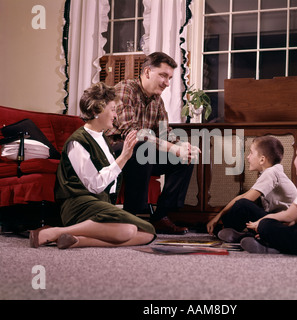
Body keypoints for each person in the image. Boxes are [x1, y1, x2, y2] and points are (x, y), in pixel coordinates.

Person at [29, 82, 156, 249]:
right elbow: (95, 185)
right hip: (79, 204)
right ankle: (54, 232)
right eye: (112, 109)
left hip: (100, 204)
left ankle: (76, 240)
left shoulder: (102, 138)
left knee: (147, 234)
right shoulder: (77, 142)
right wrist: (123, 158)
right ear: (96, 111)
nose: (115, 115)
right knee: (128, 230)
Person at [106, 52, 199, 234]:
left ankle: (161, 216)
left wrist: (182, 147)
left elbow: (165, 133)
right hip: (115, 149)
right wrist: (172, 148)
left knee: (185, 159)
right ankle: (133, 216)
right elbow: (132, 133)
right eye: (163, 75)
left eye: (170, 78)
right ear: (147, 72)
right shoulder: (125, 90)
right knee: (142, 147)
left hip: (141, 153)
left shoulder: (157, 100)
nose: (167, 83)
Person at [207, 136, 297, 242]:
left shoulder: (271, 173)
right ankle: (237, 234)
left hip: (284, 224)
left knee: (242, 205)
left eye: (251, 153)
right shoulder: (272, 172)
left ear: (262, 159)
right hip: (278, 221)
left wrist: (217, 217)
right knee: (243, 203)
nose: (248, 157)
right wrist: (218, 216)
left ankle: (228, 230)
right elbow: (243, 196)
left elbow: (244, 200)